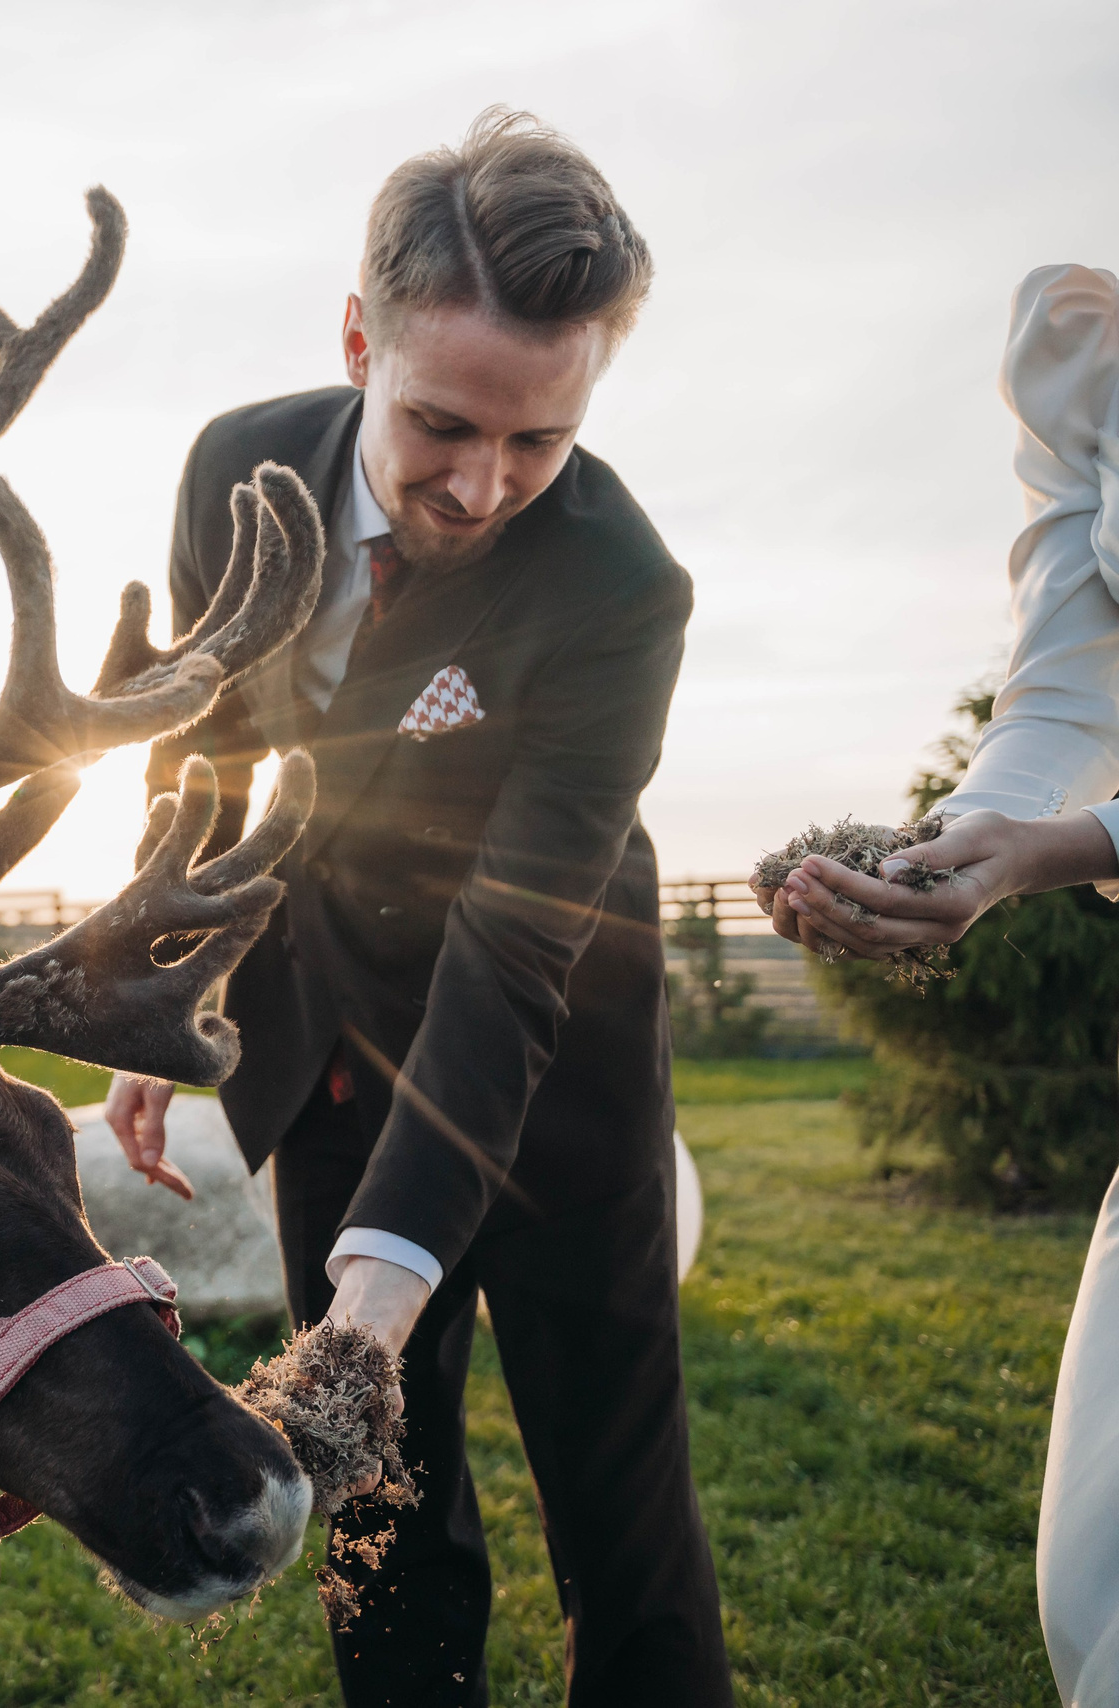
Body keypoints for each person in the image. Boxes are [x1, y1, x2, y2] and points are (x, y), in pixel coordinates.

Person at [104, 111, 730, 1706]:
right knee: (381, 1522)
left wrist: (382, 1285)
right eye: (444, 424)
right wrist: (162, 987)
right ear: (356, 340)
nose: (483, 485)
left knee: (624, 1524)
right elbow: (205, 751)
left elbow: (515, 949)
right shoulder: (235, 469)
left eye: (540, 442)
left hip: (559, 1066)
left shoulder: (622, 590)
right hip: (327, 1049)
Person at [757, 262, 1119, 1708]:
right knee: (1096, 1594)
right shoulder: (1085, 346)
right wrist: (955, 844)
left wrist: (1066, 852)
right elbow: (1069, 689)